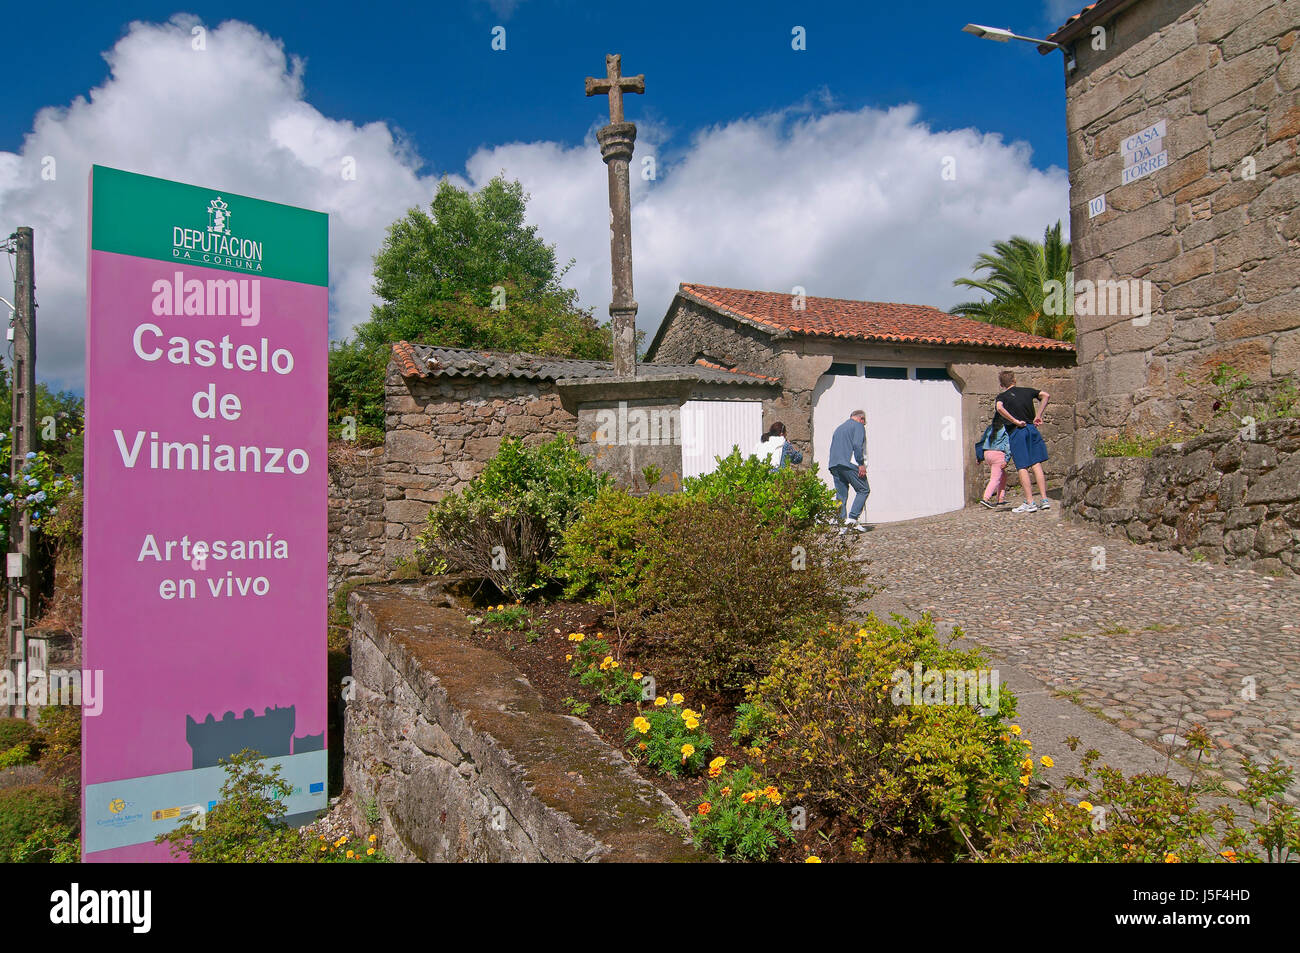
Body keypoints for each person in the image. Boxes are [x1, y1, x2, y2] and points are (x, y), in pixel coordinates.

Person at [995, 370, 1051, 513]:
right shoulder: (1027, 391)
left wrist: (1014, 421)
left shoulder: (1002, 396)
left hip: (1017, 430)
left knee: (1022, 466)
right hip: (1031, 428)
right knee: (1036, 463)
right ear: (1014, 380)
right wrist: (1038, 415)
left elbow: (999, 407)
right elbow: (1046, 395)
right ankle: (1044, 500)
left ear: (1002, 384)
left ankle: (1030, 502)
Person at [828, 410, 869, 533]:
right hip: (848, 463)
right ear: (861, 418)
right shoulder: (858, 426)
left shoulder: (839, 428)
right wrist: (861, 463)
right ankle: (852, 519)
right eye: (864, 422)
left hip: (834, 464)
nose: (864, 424)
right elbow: (857, 445)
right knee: (863, 489)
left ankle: (841, 525)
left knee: (841, 496)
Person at [978, 410, 1012, 508]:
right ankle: (986, 499)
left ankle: (1000, 499)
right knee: (995, 479)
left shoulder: (990, 428)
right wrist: (1007, 458)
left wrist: (979, 457)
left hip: (987, 454)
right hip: (998, 455)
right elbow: (1007, 445)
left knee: (1003, 476)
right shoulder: (1004, 429)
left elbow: (982, 441)